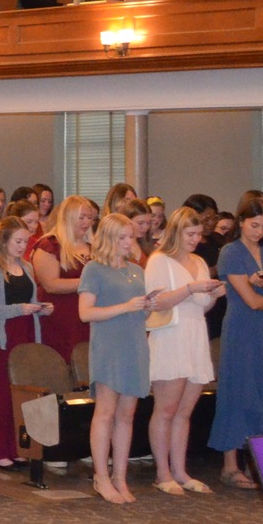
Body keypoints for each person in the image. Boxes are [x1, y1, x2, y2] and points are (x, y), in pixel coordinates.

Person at [210, 196, 263, 489]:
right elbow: (253, 302)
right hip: (243, 328)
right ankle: (230, 466)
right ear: (241, 222)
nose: (258, 231)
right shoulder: (230, 253)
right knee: (239, 390)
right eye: (254, 225)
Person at [143, 207, 226, 494]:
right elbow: (157, 303)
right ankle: (162, 472)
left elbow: (203, 306)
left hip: (195, 337)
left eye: (199, 235)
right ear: (177, 232)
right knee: (166, 409)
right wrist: (191, 288)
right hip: (170, 338)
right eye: (190, 234)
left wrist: (213, 295)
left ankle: (180, 470)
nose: (195, 240)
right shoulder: (159, 260)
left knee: (184, 412)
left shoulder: (200, 262)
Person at [78, 214, 155, 504]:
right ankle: (101, 475)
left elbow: (139, 312)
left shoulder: (136, 270)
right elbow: (86, 313)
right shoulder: (94, 270)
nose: (128, 243)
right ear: (109, 238)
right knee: (106, 413)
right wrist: (126, 306)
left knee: (126, 415)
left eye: (131, 237)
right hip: (109, 347)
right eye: (122, 237)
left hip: (135, 345)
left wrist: (147, 306)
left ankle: (120, 476)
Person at [0, 216, 49, 475]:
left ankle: (19, 446)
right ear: (4, 241)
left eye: (25, 241)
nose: (22, 246)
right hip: (3, 336)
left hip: (25, 332)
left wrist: (41, 310)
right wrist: (21, 309)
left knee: (22, 393)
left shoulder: (28, 267)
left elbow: (30, 301)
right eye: (18, 241)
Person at [30, 195, 96, 362]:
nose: (86, 222)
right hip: (60, 317)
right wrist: (88, 283)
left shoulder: (93, 247)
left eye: (89, 218)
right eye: (81, 217)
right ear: (68, 218)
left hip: (87, 316)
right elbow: (50, 284)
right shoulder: (49, 245)